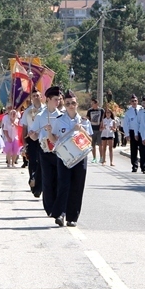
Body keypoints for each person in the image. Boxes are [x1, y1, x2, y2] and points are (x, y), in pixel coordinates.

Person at [46, 90, 93, 226]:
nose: (71, 106)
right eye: (67, 104)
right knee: (63, 184)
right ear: (64, 105)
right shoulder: (59, 120)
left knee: (77, 186)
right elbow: (53, 140)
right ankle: (60, 214)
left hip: (80, 156)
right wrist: (48, 131)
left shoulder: (84, 121)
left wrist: (82, 130)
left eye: (73, 103)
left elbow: (90, 141)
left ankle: (72, 217)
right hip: (64, 157)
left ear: (77, 104)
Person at [30, 86, 63, 216]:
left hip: (58, 152)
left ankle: (57, 206)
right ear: (48, 99)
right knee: (47, 180)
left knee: (59, 180)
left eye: (59, 99)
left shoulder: (61, 116)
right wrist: (32, 134)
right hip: (45, 152)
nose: (58, 102)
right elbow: (34, 136)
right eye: (55, 99)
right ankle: (49, 208)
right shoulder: (40, 116)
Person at [21, 90, 44, 197]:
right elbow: (24, 127)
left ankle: (39, 186)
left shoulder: (45, 110)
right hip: (31, 139)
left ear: (41, 97)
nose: (36, 97)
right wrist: (24, 142)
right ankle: (33, 181)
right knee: (33, 161)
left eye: (37, 95)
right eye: (34, 96)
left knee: (42, 162)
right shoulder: (27, 111)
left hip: (43, 139)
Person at [123, 95, 143, 172]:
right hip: (132, 131)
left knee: (142, 149)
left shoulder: (141, 109)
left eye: (135, 101)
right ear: (130, 102)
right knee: (133, 149)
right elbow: (126, 124)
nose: (134, 102)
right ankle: (134, 166)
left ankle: (144, 166)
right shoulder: (128, 112)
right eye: (132, 101)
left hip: (141, 131)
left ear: (137, 101)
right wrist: (127, 134)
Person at [86, 99, 105, 163]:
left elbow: (103, 119)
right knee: (93, 144)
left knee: (100, 144)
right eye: (91, 104)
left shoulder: (101, 110)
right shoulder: (90, 110)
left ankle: (101, 157)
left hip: (99, 129)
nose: (92, 105)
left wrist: (102, 126)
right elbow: (87, 119)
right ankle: (94, 158)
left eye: (93, 103)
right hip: (92, 129)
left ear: (96, 104)